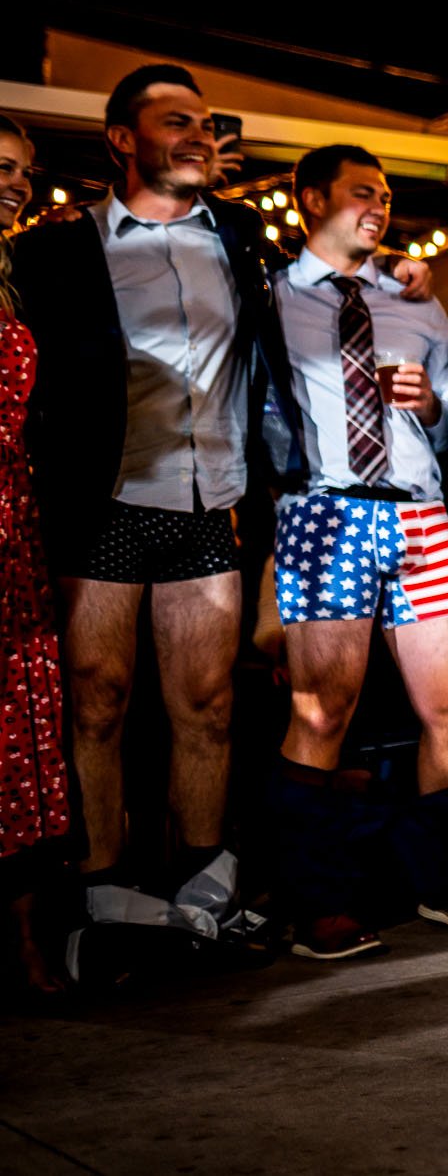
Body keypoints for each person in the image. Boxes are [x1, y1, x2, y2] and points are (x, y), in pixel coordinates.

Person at [11, 66, 301, 917]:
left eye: (208, 124)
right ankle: (101, 898)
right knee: (97, 701)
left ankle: (204, 888)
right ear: (122, 139)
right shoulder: (57, 247)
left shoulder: (242, 237)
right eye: (178, 121)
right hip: (104, 498)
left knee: (209, 704)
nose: (202, 137)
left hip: (210, 499)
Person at [268, 144, 448, 960]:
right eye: (364, 192)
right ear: (310, 197)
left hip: (421, 511)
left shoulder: (418, 302)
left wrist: (433, 403)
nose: (381, 205)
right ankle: (316, 903)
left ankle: (442, 879)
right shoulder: (272, 294)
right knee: (322, 712)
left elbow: (447, 427)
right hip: (324, 509)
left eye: (388, 195)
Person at [0, 116, 69, 995]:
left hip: (16, 523)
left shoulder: (14, 284)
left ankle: (22, 945)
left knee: (18, 739)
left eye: (21, 170)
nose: (13, 182)